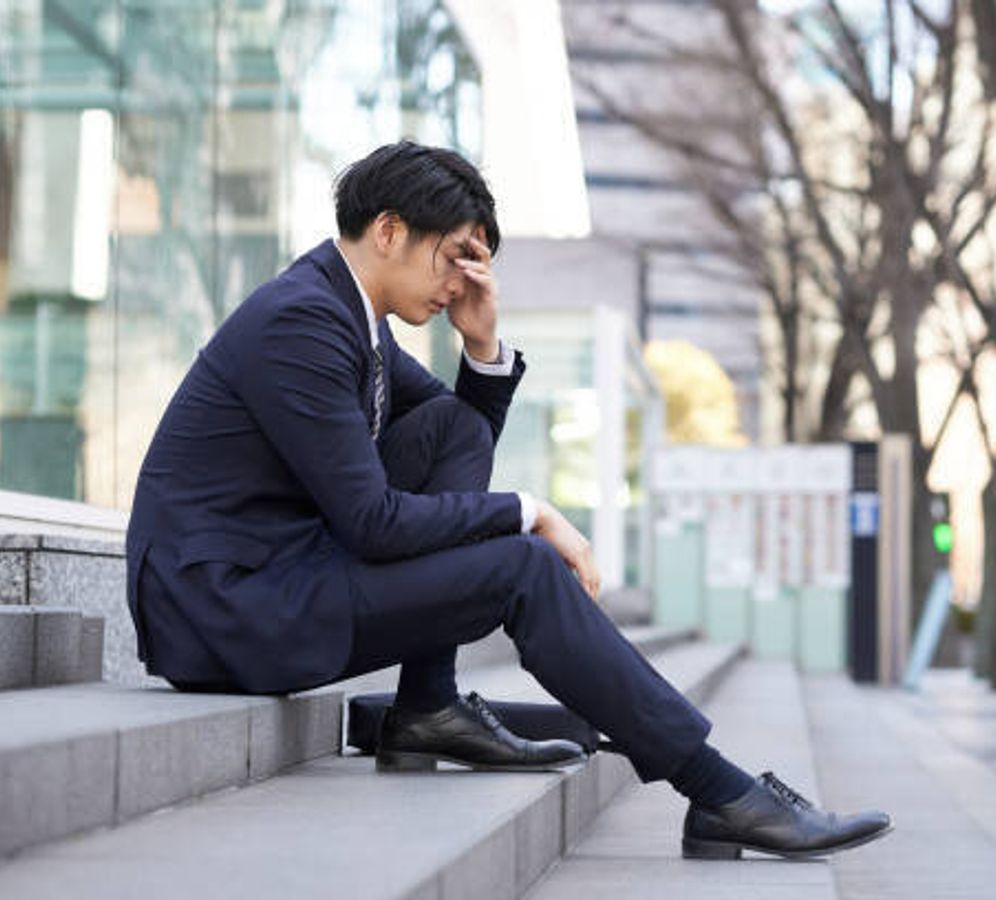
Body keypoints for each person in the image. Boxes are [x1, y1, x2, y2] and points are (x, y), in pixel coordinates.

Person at [125, 141, 893, 861]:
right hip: (222, 612)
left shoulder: (353, 319)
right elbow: (373, 521)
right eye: (454, 256)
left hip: (274, 576)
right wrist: (529, 510)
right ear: (389, 231)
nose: (462, 280)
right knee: (523, 565)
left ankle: (428, 705)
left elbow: (458, 439)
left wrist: (483, 349)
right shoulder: (303, 320)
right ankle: (720, 790)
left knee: (454, 426)